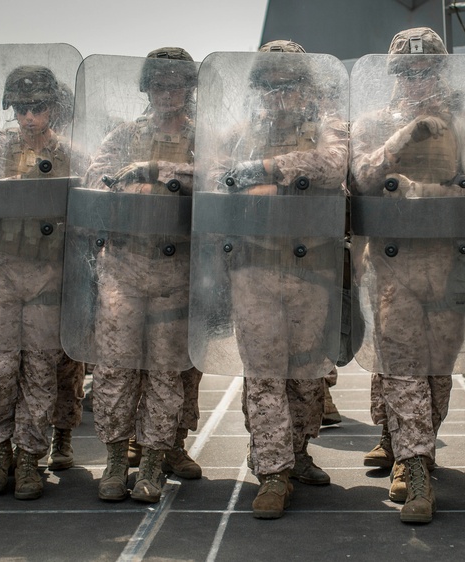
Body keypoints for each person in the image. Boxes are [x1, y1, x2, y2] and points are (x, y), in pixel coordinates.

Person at [349, 27, 465, 523]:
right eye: (409, 73)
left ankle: (418, 447)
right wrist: (397, 142)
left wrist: (437, 193)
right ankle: (414, 469)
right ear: (396, 78)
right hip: (396, 268)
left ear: (440, 73)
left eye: (427, 70)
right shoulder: (373, 124)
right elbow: (359, 179)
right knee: (404, 366)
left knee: (438, 370)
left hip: (449, 264)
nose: (418, 81)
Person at [197, 40, 347, 519]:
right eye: (270, 86)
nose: (280, 96)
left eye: (290, 86)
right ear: (258, 89)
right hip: (256, 268)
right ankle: (273, 469)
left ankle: (298, 451)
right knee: (263, 372)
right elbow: (217, 179)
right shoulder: (238, 134)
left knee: (306, 374)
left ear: (307, 88)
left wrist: (266, 170)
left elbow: (334, 165)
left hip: (312, 271)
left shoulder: (330, 129)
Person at [79, 47, 202, 502]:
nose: (167, 93)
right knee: (115, 369)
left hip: (177, 268)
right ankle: (115, 460)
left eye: (176, 84)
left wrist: (154, 171)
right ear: (146, 88)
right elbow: (97, 179)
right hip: (124, 267)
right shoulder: (122, 137)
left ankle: (153, 460)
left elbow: (212, 176)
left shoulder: (204, 138)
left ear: (190, 88)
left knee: (166, 372)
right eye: (158, 84)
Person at [0, 64, 76, 500]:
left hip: (47, 272)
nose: (29, 117)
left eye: (39, 107)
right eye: (22, 108)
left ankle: (30, 455)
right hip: (0, 270)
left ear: (53, 108)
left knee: (41, 368)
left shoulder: (68, 152)